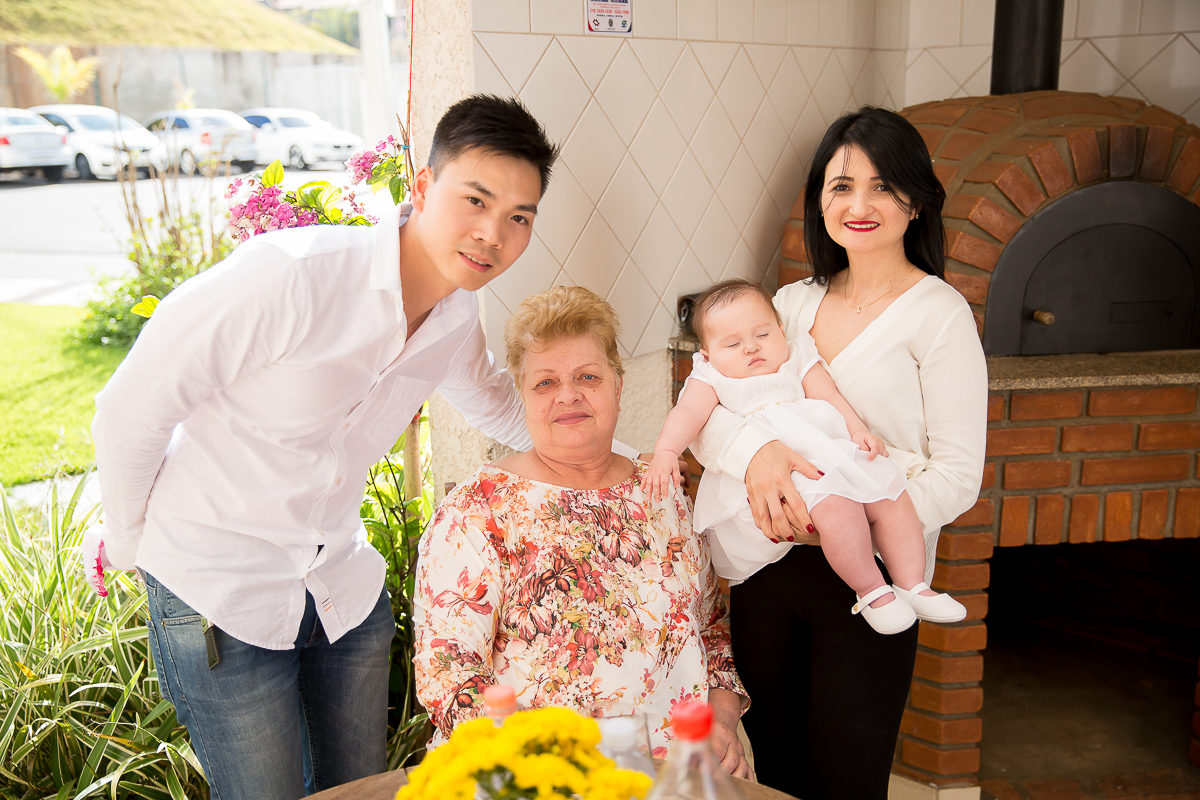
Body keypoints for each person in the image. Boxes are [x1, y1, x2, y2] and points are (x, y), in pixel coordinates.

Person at [84, 95, 630, 800]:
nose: (493, 233)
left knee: (363, 793)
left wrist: (623, 461)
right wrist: (131, 549)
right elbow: (131, 408)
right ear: (425, 188)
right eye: (476, 199)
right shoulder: (290, 275)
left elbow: (499, 404)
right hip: (218, 588)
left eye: (519, 217)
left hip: (339, 592)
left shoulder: (455, 316)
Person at [688, 107, 988, 798]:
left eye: (883, 186)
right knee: (779, 775)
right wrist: (760, 454)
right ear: (819, 198)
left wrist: (857, 512)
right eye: (841, 185)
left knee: (848, 781)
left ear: (917, 202)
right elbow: (711, 409)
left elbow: (958, 475)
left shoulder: (938, 314)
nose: (860, 204)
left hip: (871, 581)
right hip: (768, 568)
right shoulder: (789, 304)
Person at [412, 286, 751, 777]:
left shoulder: (663, 492)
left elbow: (710, 628)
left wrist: (721, 721)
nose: (568, 395)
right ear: (523, 395)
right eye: (545, 383)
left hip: (676, 769)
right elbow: (450, 677)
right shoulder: (478, 511)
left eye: (587, 377)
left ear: (618, 384)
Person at [646, 279, 967, 635]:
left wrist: (858, 430)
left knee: (890, 492)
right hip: (782, 478)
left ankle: (913, 584)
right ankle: (872, 592)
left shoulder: (796, 355)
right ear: (707, 354)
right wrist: (666, 451)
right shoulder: (712, 376)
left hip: (828, 455)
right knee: (837, 507)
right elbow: (688, 414)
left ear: (781, 330)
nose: (751, 347)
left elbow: (829, 395)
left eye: (763, 334)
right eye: (733, 344)